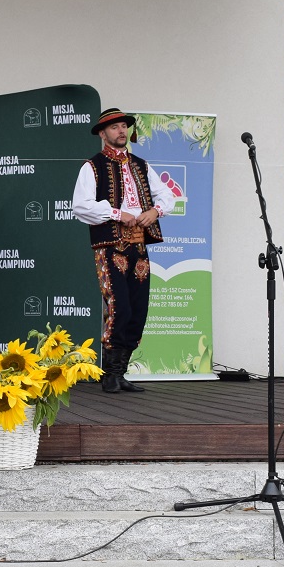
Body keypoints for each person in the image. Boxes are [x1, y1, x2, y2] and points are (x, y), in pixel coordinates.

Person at [72, 108, 174, 393]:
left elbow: (167, 195)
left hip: (139, 246)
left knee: (138, 310)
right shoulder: (92, 166)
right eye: (114, 127)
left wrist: (155, 211)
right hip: (111, 247)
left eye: (123, 126)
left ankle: (120, 372)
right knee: (119, 307)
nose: (121, 131)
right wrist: (118, 213)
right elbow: (80, 205)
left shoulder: (141, 165)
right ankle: (110, 374)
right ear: (102, 133)